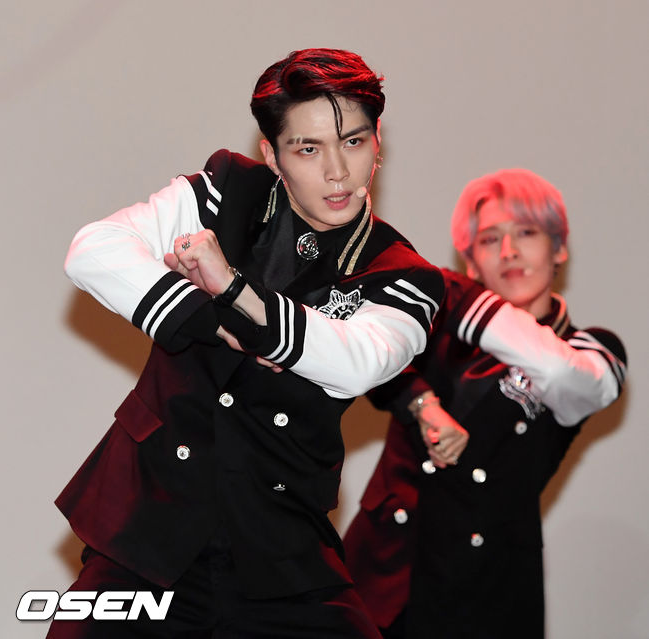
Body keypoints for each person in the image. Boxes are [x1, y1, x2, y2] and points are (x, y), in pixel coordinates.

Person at [49, 48, 445, 638]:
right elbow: (93, 250)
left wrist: (232, 289)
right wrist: (209, 318)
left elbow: (359, 361)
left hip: (279, 548)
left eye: (354, 142)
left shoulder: (403, 275)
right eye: (308, 149)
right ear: (272, 155)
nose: (338, 171)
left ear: (377, 141)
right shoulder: (226, 191)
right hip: (147, 527)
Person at [343, 168, 627, 639]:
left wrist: (452, 293)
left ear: (559, 248)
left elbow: (563, 375)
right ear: (470, 260)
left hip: (484, 587)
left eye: (527, 233)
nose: (509, 251)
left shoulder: (588, 350)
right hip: (386, 569)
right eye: (490, 239)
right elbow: (372, 359)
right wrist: (423, 405)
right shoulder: (434, 327)